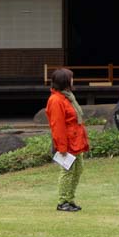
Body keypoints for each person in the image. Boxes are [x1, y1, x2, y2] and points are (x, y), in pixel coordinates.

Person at [45, 68, 90, 212]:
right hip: (68, 141)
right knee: (67, 170)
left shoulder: (67, 97)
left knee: (78, 169)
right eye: (71, 78)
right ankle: (62, 201)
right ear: (65, 81)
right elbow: (57, 126)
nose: (72, 80)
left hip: (76, 139)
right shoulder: (56, 100)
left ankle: (70, 199)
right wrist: (62, 148)